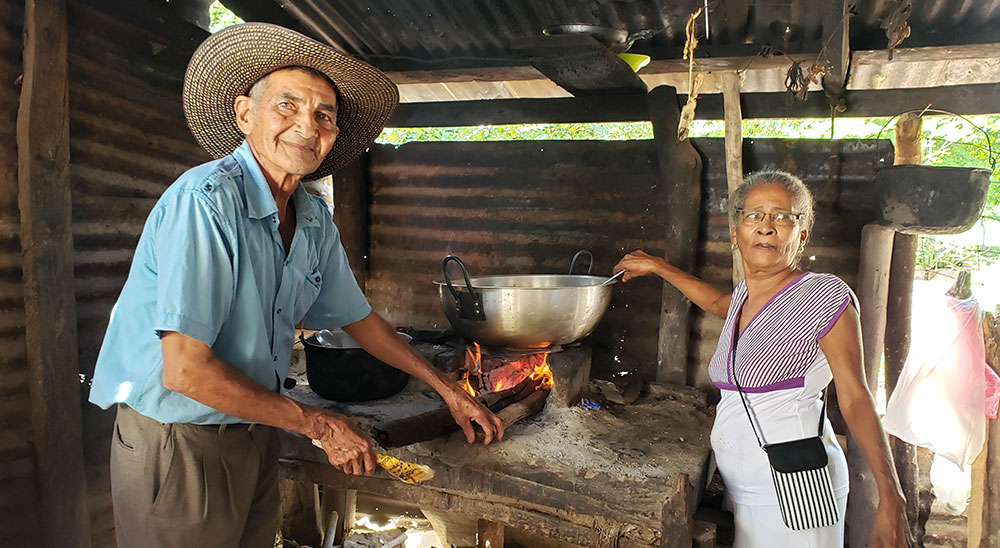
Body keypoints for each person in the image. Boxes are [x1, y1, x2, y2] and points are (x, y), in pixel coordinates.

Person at [88, 23, 503, 548]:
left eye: (324, 115)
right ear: (245, 114)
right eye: (288, 106)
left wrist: (447, 390)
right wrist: (318, 425)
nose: (307, 126)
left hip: (254, 426)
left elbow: (360, 320)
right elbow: (186, 370)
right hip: (180, 442)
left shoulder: (311, 217)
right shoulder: (206, 204)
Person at [613, 170, 911, 547]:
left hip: (797, 490)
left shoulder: (823, 296)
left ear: (801, 235)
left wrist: (891, 498)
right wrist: (658, 266)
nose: (766, 227)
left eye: (782, 217)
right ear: (735, 233)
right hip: (747, 488)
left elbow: (855, 397)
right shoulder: (743, 296)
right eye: (754, 215)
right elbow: (717, 302)